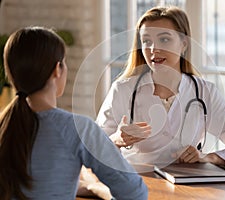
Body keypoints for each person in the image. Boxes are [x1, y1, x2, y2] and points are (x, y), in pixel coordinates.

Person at [96, 6, 225, 167]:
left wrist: (210, 157)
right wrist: (117, 139)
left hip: (186, 187)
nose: (154, 49)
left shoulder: (205, 92)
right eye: (147, 41)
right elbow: (92, 148)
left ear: (184, 44)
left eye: (164, 39)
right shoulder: (123, 89)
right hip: (139, 183)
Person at [0, 26, 148, 200]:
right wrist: (97, 188)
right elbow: (135, 193)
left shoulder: (5, 126)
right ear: (57, 70)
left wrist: (82, 187)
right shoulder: (77, 128)